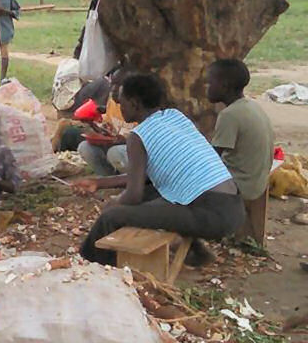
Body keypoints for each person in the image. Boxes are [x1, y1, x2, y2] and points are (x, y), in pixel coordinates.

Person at [74, 73, 245, 267]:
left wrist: (113, 205)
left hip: (210, 214)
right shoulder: (175, 117)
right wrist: (98, 183)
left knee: (111, 217)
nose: (119, 108)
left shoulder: (138, 137)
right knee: (154, 194)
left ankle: (88, 266)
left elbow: (133, 195)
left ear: (135, 104)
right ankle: (196, 252)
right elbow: (144, 178)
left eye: (121, 103)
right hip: (234, 205)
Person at [207, 59, 275, 240]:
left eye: (210, 82)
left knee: (182, 185)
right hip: (258, 178)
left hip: (244, 184)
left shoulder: (229, 115)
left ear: (224, 86)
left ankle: (203, 232)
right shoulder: (250, 106)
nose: (207, 87)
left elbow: (210, 160)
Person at [77, 69, 132, 176]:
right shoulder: (113, 102)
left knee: (115, 152)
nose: (113, 89)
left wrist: (124, 140)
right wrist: (94, 126)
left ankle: (135, 182)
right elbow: (108, 128)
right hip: (116, 145)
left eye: (119, 85)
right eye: (112, 84)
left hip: (134, 152)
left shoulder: (138, 108)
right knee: (85, 147)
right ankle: (110, 178)